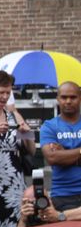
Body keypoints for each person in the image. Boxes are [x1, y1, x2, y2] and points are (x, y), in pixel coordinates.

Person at [0, 70, 35, 227]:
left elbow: (31, 150)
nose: (4, 97)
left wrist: (26, 134)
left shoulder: (15, 116)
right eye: (1, 92)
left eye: (8, 93)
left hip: (14, 185)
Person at [39, 81, 81, 212]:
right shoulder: (49, 126)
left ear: (80, 98)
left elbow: (59, 157)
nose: (68, 101)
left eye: (73, 97)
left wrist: (65, 155)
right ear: (58, 99)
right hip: (63, 195)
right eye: (64, 97)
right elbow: (52, 158)